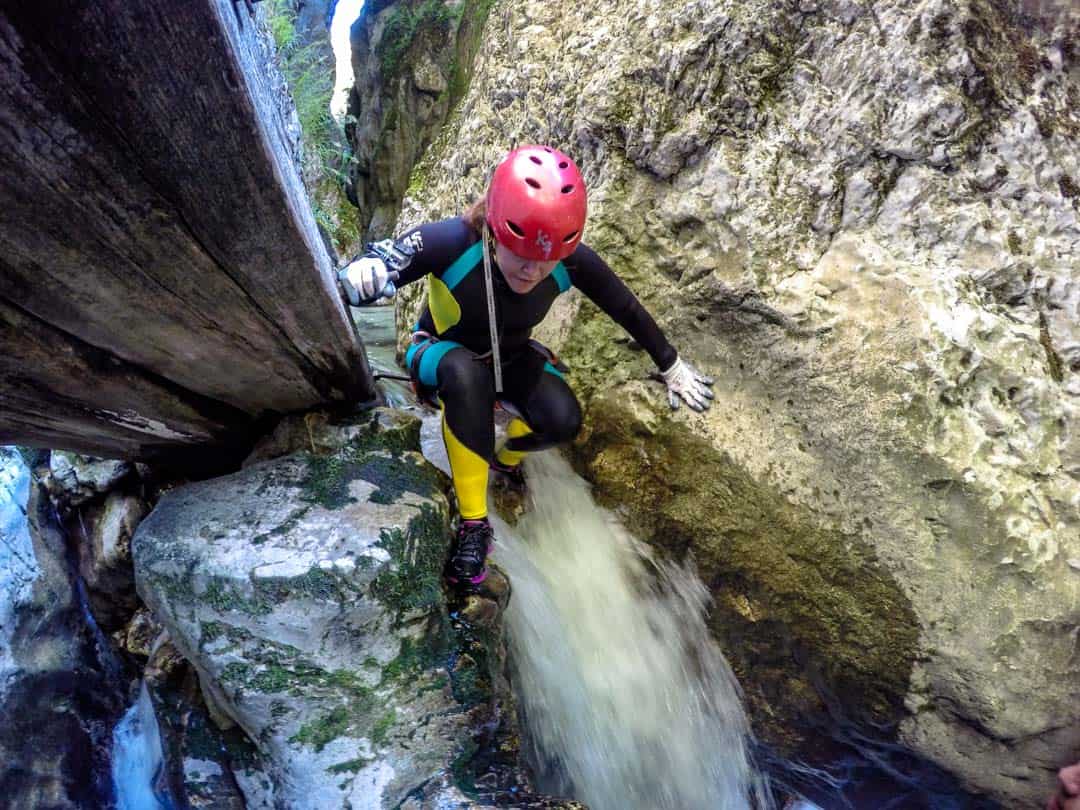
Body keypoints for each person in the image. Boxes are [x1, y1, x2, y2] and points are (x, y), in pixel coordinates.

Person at [339, 145, 714, 587]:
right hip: (439, 353)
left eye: (546, 261)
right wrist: (362, 272)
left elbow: (626, 309)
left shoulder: (571, 260)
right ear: (496, 230)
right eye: (521, 256)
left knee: (563, 420)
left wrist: (671, 367)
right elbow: (387, 259)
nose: (533, 271)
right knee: (465, 373)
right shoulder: (451, 242)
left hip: (511, 357)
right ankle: (475, 525)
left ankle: (505, 460)